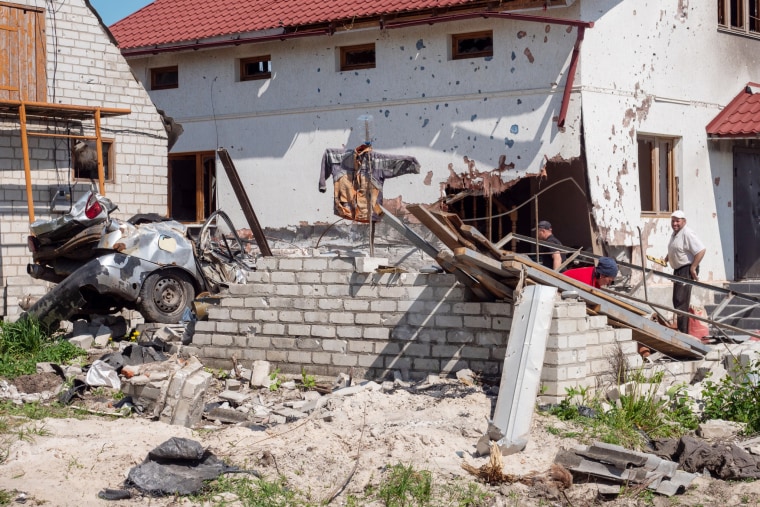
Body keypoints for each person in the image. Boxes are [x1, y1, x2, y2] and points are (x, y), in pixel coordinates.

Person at [664, 210, 706, 334]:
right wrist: (667, 258)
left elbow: (701, 250)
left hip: (686, 269)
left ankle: (683, 333)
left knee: (681, 301)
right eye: (673, 221)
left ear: (684, 221)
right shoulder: (675, 234)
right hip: (678, 269)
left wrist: (693, 267)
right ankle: (681, 330)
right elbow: (676, 249)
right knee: (676, 301)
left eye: (677, 221)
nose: (675, 223)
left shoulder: (687, 233)